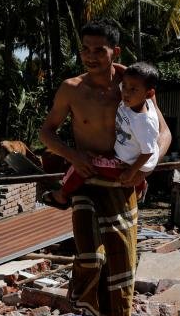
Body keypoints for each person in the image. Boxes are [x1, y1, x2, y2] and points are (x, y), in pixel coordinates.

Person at [38, 19, 172, 316]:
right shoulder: (71, 88)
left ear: (116, 51)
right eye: (86, 49)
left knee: (119, 262)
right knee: (89, 255)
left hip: (121, 183)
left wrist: (143, 169)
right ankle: (89, 312)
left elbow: (163, 134)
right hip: (85, 179)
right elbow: (47, 133)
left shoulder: (133, 82)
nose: (91, 56)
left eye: (99, 49)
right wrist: (72, 155)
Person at [41, 61, 161, 208]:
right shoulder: (131, 101)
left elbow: (149, 151)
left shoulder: (144, 121)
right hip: (124, 157)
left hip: (125, 164)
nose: (126, 92)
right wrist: (113, 65)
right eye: (124, 86)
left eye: (133, 89)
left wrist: (133, 171)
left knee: (85, 165)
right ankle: (141, 186)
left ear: (149, 94)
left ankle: (61, 195)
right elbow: (113, 74)